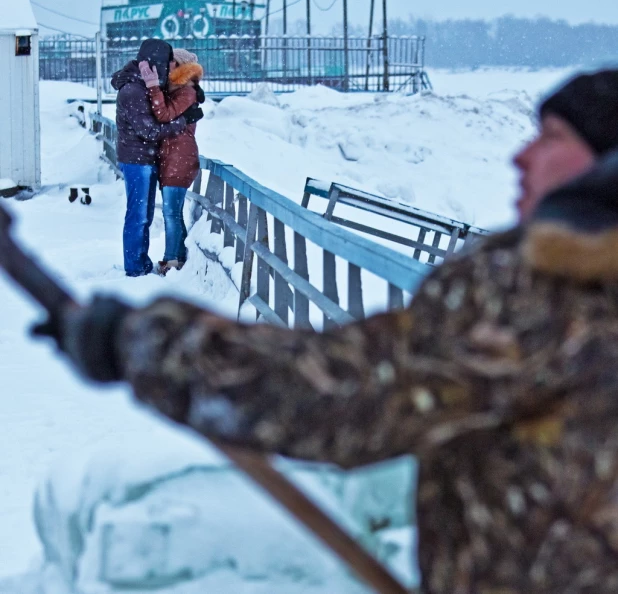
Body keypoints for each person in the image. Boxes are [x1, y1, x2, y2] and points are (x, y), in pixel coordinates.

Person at [35, 70, 618, 593]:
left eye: (552, 139)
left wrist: (143, 343)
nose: (522, 157)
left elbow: (348, 390)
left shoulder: (553, 298)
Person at [111, 39, 203, 277]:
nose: (167, 72)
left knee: (146, 215)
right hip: (137, 161)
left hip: (147, 160)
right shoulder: (134, 90)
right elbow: (150, 130)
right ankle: (135, 266)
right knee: (139, 216)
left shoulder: (143, 86)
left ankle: (142, 262)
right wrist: (182, 121)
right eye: (165, 65)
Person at [138, 48, 206, 276]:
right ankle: (181, 255)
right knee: (173, 212)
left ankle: (171, 260)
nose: (166, 65)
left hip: (180, 158)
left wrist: (152, 86)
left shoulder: (186, 92)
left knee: (170, 213)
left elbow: (163, 115)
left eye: (171, 62)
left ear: (180, 66)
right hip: (171, 158)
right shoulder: (177, 90)